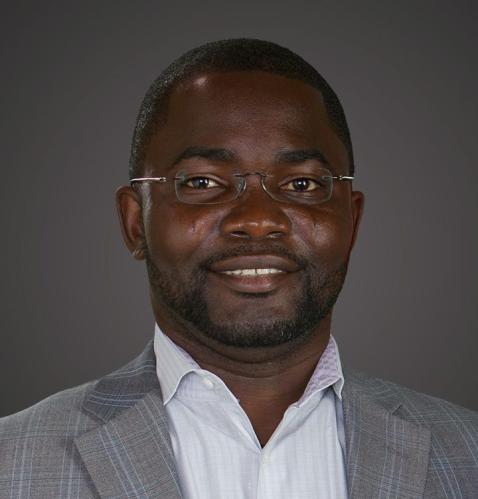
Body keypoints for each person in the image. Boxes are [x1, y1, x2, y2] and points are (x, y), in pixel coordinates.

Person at [0, 38, 477, 499]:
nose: (257, 220)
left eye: (302, 184)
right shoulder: (12, 461)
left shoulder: (467, 453)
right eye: (202, 182)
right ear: (135, 222)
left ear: (351, 222)